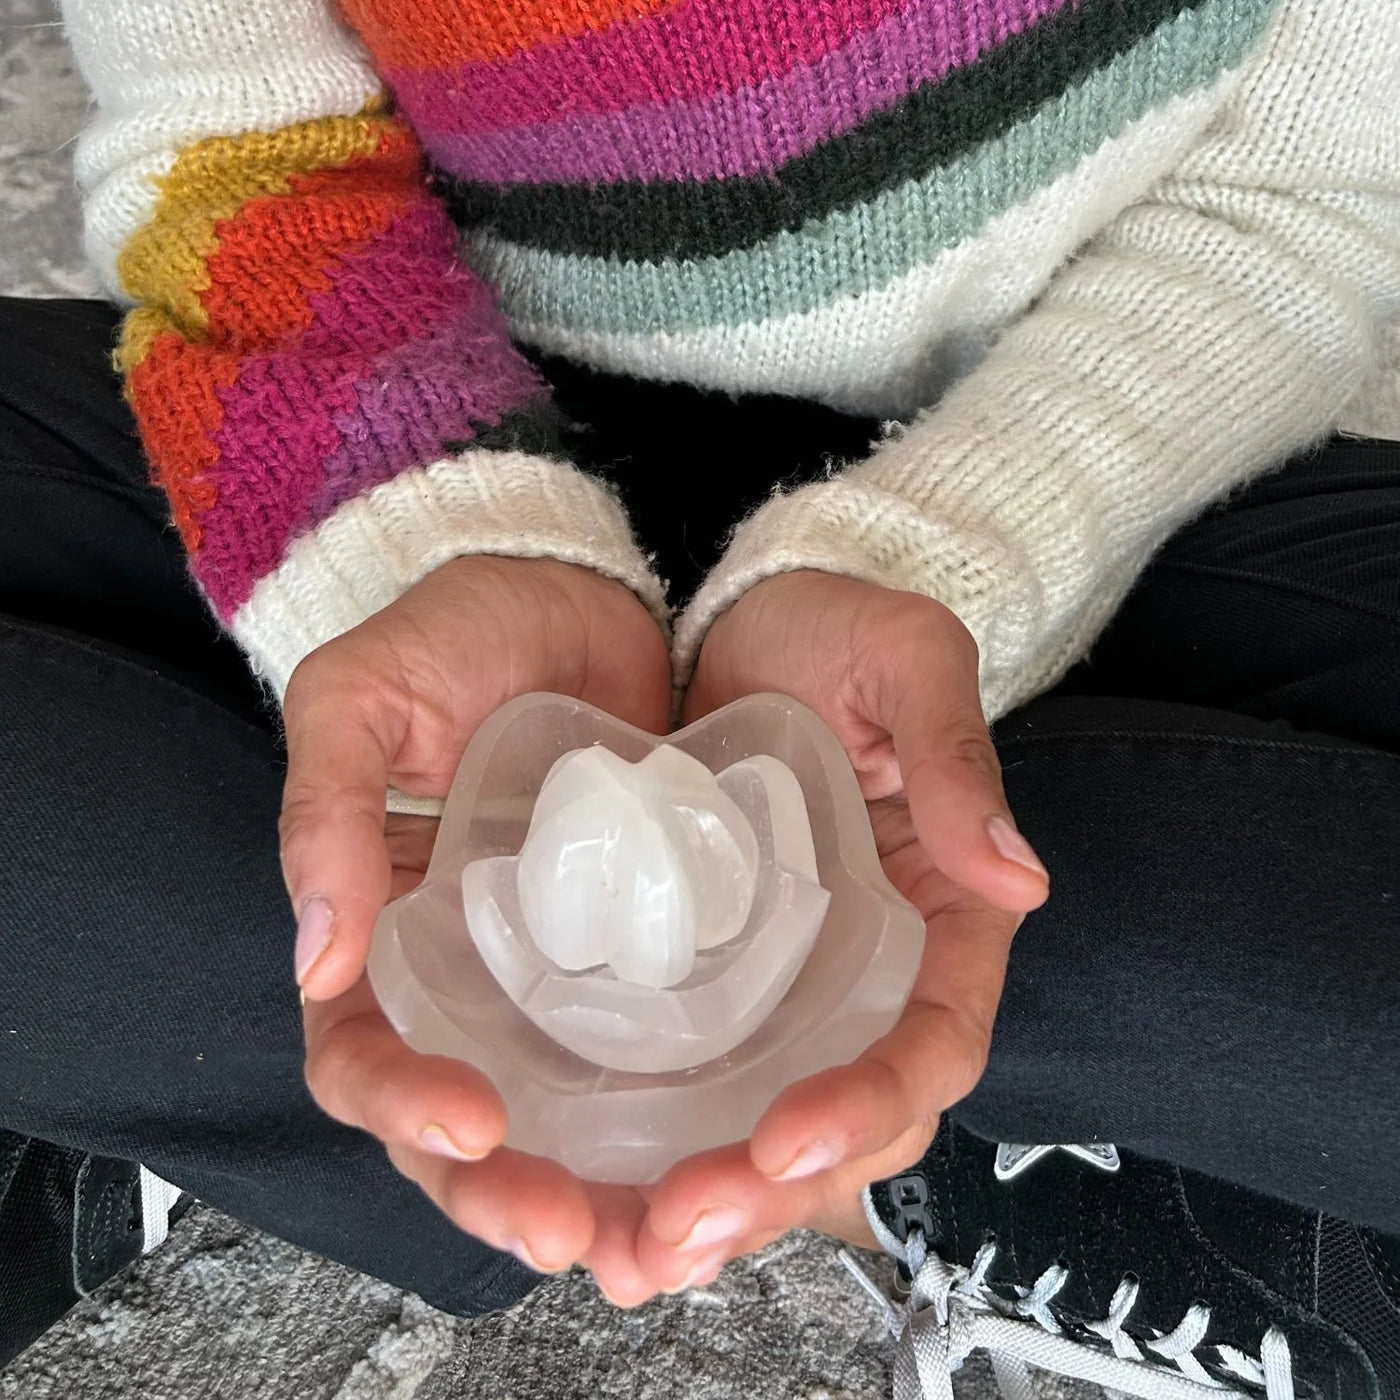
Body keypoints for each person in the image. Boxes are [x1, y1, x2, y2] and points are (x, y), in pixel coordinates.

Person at [2, 0, 1397, 1393]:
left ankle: (168, 1051)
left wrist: (956, 558)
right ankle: (993, 1143)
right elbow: (235, 156)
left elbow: (1303, 189)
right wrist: (430, 542)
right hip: (455, 404)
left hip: (1092, 422)